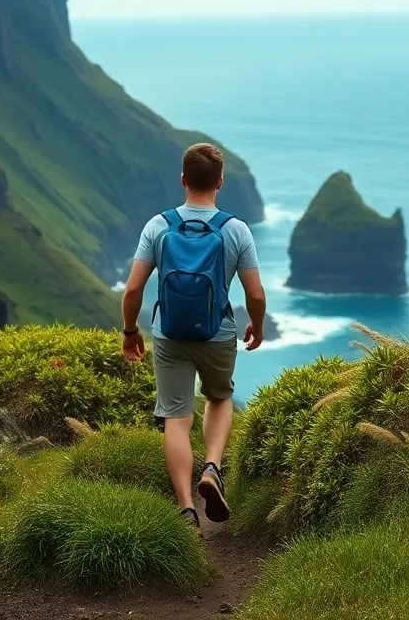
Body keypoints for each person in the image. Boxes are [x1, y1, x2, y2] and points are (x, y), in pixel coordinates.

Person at [120, 143, 266, 537]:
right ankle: (213, 468)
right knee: (219, 398)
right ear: (220, 182)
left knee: (176, 418)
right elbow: (254, 294)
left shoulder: (159, 225)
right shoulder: (235, 230)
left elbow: (133, 290)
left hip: (169, 334)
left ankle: (186, 510)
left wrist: (131, 331)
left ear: (183, 180)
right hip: (217, 333)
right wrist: (256, 325)